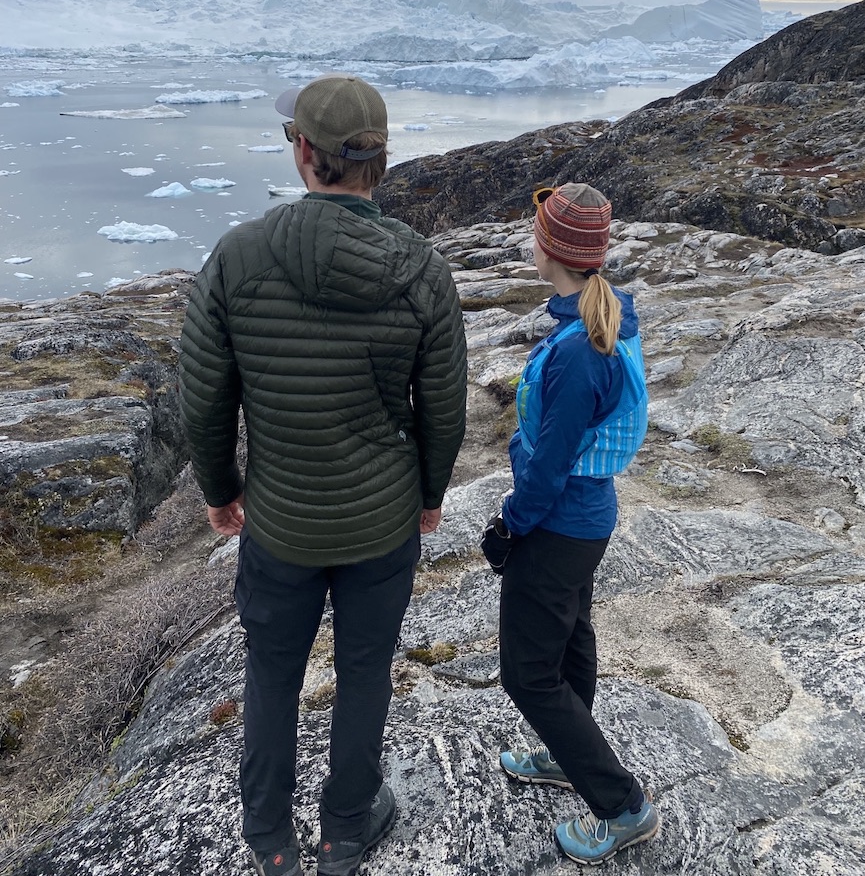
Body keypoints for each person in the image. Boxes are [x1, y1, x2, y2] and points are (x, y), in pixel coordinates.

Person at [179, 74, 467, 876]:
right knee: (365, 671)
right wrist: (431, 495)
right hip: (381, 524)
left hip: (279, 524)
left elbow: (203, 394)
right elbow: (443, 406)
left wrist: (220, 490)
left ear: (304, 153)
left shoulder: (238, 255)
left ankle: (270, 840)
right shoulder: (422, 269)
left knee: (271, 673)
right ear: (379, 160)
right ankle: (345, 832)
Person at [481, 183, 659, 866]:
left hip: (558, 526)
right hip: (588, 522)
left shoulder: (581, 348)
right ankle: (566, 756)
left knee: (528, 675)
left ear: (550, 249)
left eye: (536, 233)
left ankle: (622, 807)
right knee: (570, 637)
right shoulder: (603, 317)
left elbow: (549, 467)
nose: (531, 242)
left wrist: (509, 528)